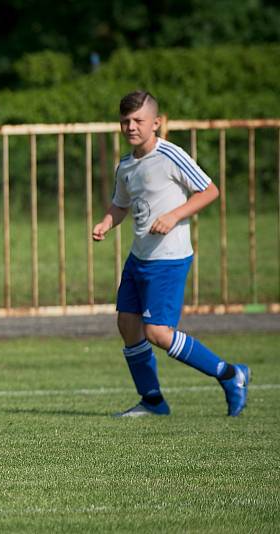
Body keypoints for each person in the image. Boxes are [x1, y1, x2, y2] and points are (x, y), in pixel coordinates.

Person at [92, 90, 250, 417]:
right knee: (128, 325)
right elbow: (121, 204)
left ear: (156, 123)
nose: (131, 126)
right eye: (125, 121)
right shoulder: (126, 165)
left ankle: (230, 374)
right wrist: (108, 222)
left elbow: (210, 191)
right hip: (139, 258)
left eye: (138, 120)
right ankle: (152, 401)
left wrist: (175, 215)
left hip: (169, 257)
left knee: (158, 333)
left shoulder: (170, 155)